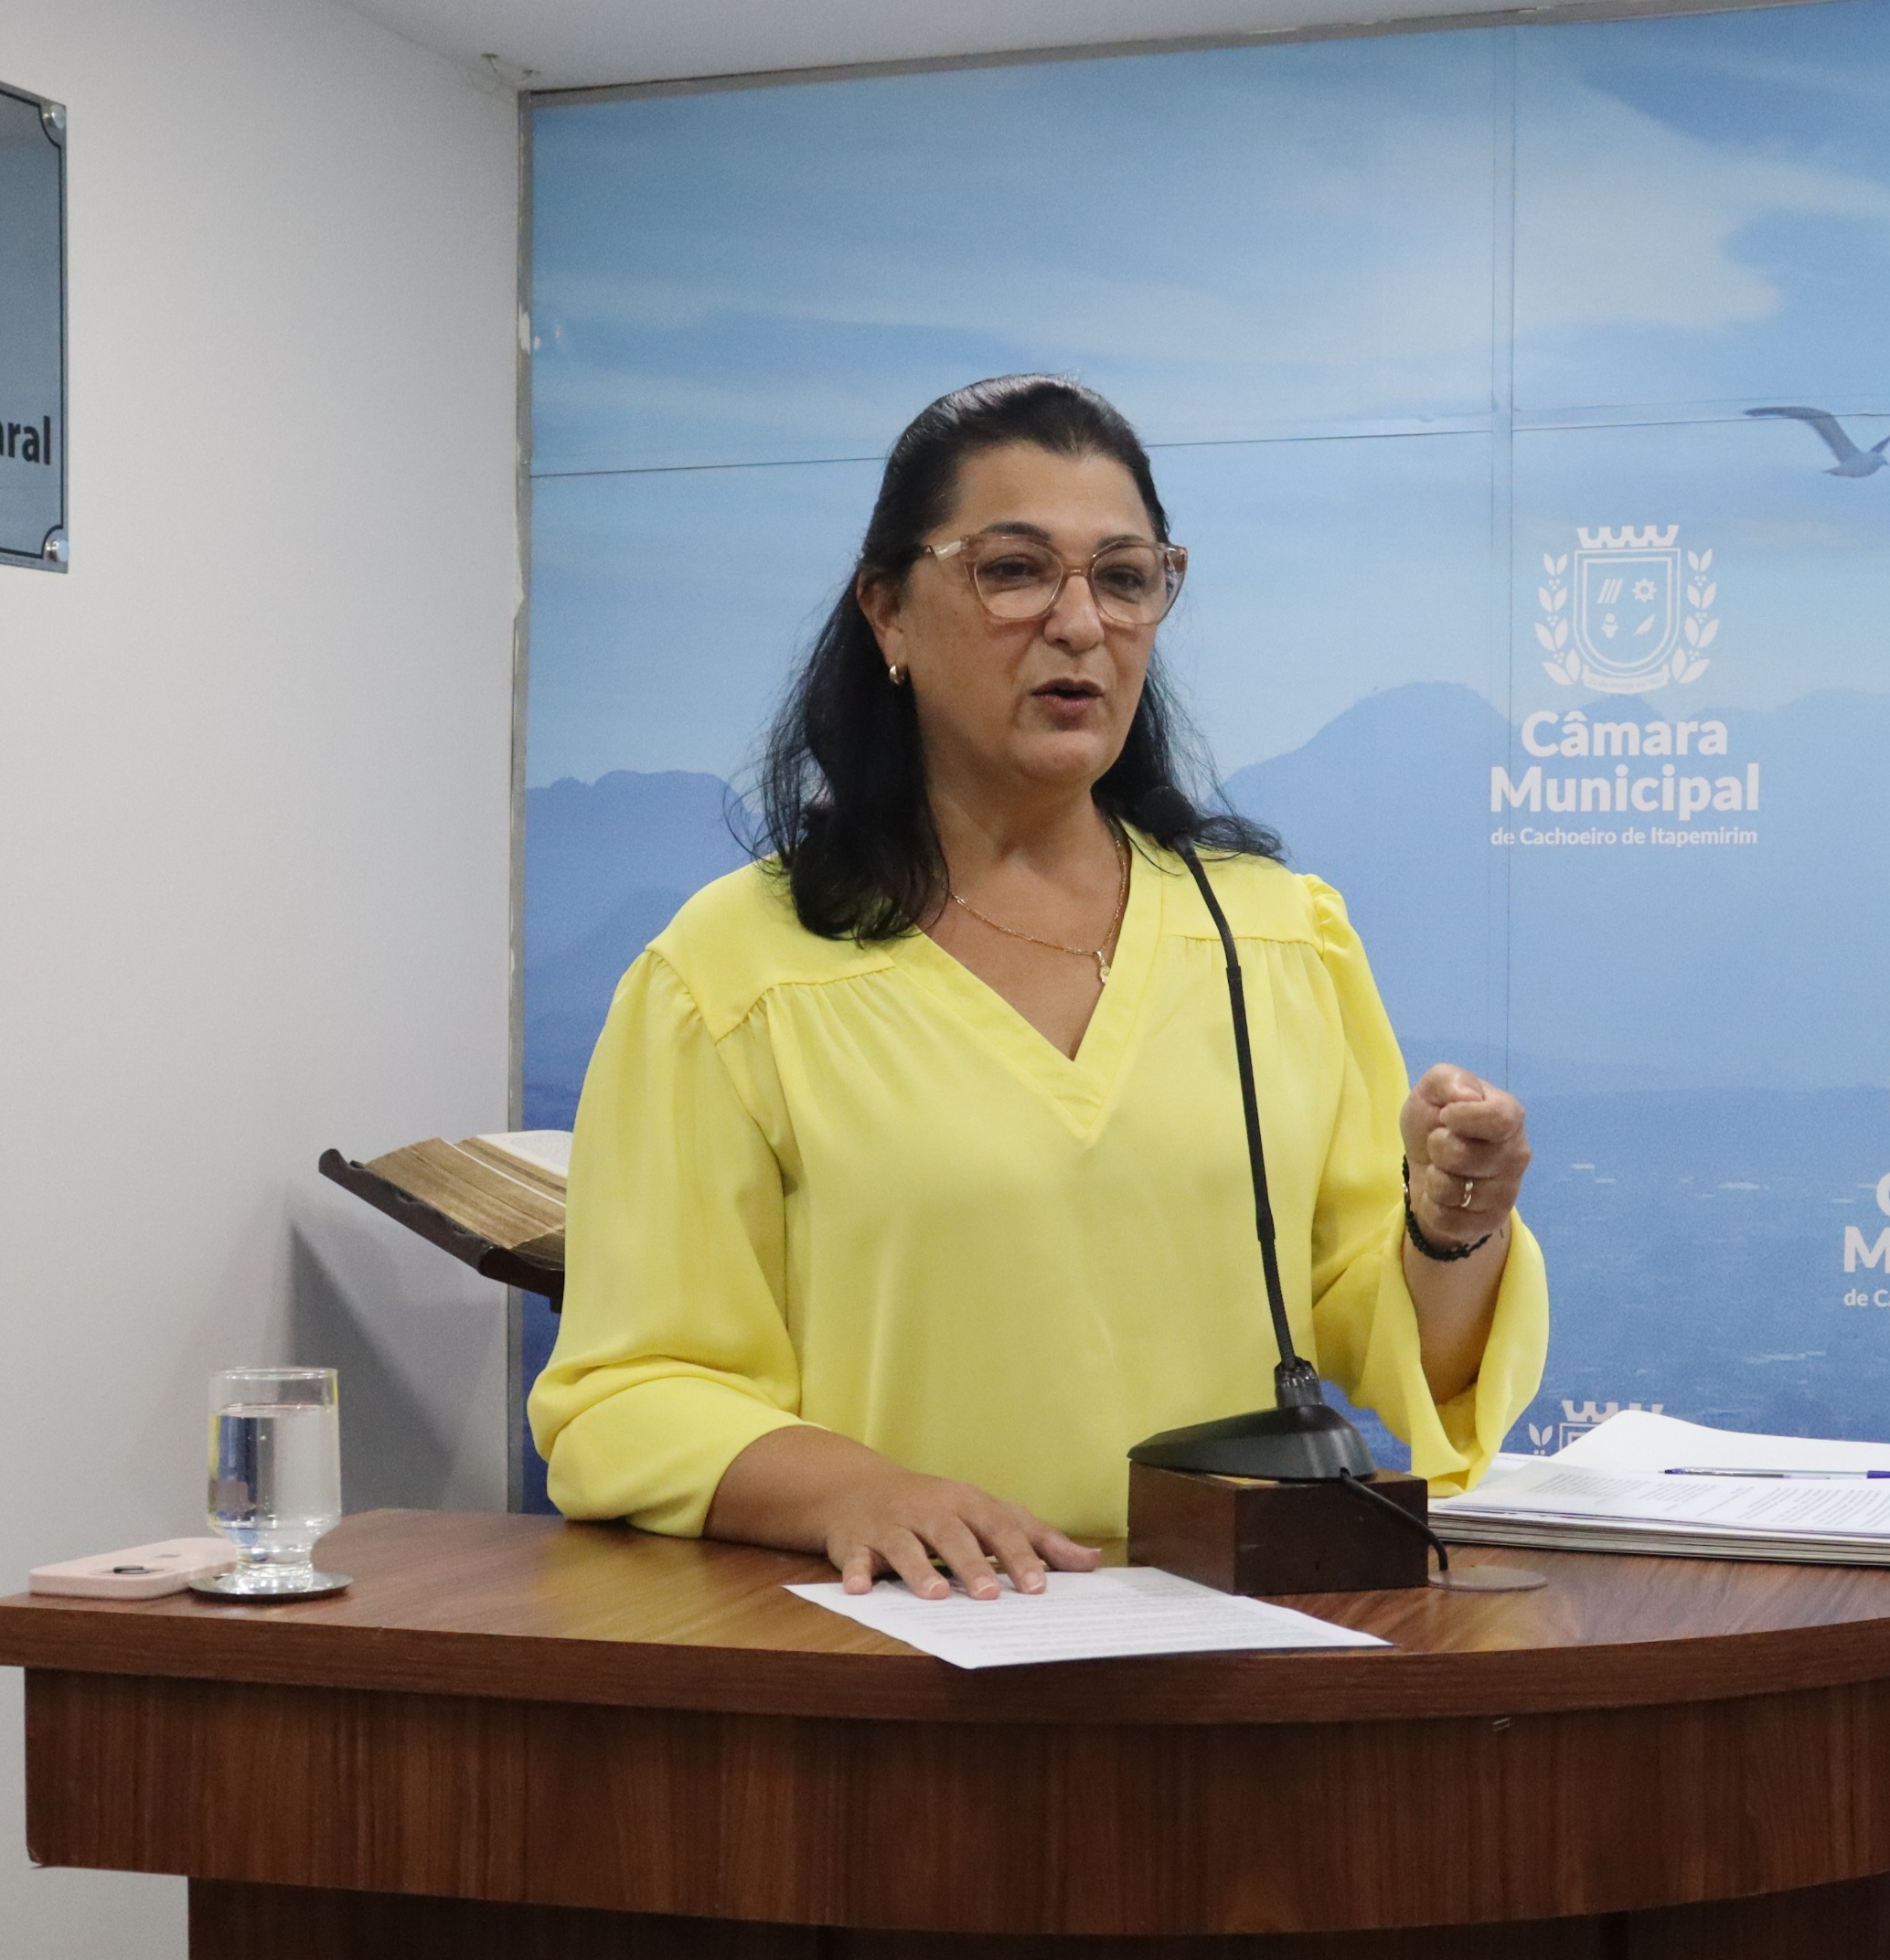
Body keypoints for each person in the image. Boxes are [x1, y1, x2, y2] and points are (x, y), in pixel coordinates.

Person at [529, 377, 1547, 1598]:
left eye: (1124, 577)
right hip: (906, 1641)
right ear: (887, 613)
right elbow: (629, 1390)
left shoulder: (1274, 937)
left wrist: (1456, 1221)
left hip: (1229, 1644)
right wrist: (861, 1491)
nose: (1080, 623)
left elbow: (1382, 1337)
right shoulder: (733, 973)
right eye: (1013, 571)